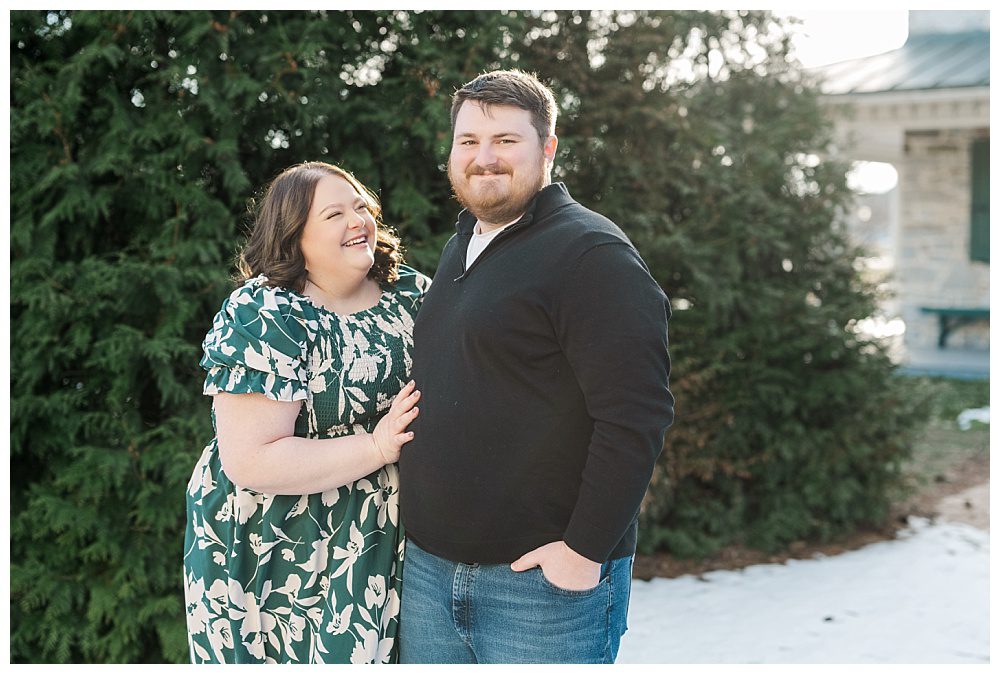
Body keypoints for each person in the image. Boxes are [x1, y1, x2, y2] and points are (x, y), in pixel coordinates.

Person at [398, 70, 675, 664]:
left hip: (538, 591)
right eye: (469, 141)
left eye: (506, 140)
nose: (484, 158)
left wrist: (583, 552)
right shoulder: (462, 246)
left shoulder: (591, 256)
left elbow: (636, 418)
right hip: (427, 574)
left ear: (547, 148)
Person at [183, 162, 429, 663]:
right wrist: (376, 447)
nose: (356, 220)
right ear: (294, 236)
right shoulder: (265, 314)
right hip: (271, 539)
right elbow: (251, 460)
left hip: (376, 529)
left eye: (361, 206)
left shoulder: (412, 296)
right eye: (334, 214)